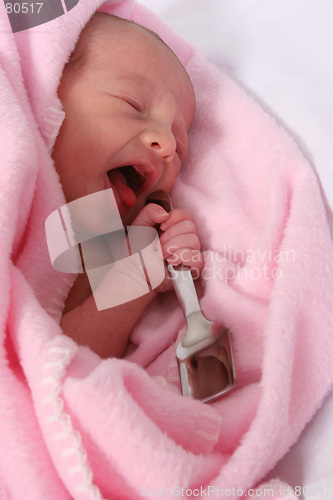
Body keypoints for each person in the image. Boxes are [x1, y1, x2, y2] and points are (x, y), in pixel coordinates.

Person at [52, 12, 203, 358]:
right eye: (133, 105)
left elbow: (65, 361)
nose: (165, 144)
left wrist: (137, 273)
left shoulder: (96, 235)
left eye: (179, 147)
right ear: (47, 88)